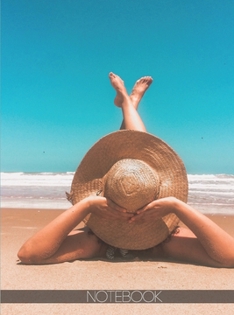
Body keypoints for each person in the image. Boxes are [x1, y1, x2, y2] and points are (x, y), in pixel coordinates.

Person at [17, 72, 234, 267]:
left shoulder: (95, 242)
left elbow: (29, 254)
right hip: (142, 224)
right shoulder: (164, 240)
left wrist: (87, 205)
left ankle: (128, 103)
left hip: (111, 222)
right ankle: (129, 103)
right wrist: (176, 206)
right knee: (135, 159)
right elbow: (28, 254)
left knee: (133, 159)